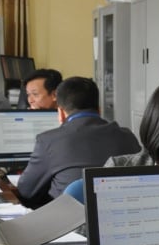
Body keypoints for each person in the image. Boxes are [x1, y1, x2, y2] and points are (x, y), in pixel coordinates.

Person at [15, 76, 139, 209]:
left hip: (70, 225)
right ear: (99, 109)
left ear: (61, 112)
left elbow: (26, 191)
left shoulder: (48, 141)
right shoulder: (127, 136)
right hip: (122, 220)